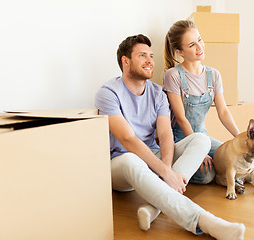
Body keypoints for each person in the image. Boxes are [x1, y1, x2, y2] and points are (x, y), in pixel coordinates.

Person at [95, 34, 245, 240]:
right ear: (126, 61)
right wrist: (166, 172)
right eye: (142, 56)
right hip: (121, 164)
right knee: (130, 159)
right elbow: (128, 140)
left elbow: (165, 134)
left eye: (151, 56)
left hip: (152, 157)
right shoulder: (108, 93)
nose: (150, 61)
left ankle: (152, 208)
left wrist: (166, 170)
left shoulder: (157, 93)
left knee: (201, 139)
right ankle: (204, 221)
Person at [163, 20, 240, 185]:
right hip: (182, 140)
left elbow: (223, 111)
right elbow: (181, 118)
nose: (200, 47)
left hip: (204, 137)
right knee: (207, 176)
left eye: (200, 39)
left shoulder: (214, 75)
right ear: (180, 51)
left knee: (233, 159)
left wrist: (240, 137)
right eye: (192, 44)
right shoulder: (173, 75)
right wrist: (198, 151)